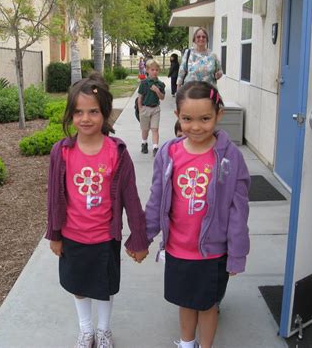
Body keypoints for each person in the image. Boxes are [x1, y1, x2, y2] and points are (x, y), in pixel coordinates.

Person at [46, 73, 149, 348]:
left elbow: (131, 198)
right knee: (79, 286)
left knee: (103, 287)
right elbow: (53, 197)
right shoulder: (62, 152)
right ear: (70, 115)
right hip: (73, 236)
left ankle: (103, 331)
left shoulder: (117, 152)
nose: (86, 118)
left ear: (105, 113)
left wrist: (139, 237)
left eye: (93, 111)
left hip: (105, 237)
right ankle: (86, 330)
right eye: (78, 112)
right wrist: (54, 234)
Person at [145, 81, 250, 348]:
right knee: (185, 301)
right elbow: (157, 197)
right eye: (187, 119)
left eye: (205, 118)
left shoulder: (229, 157)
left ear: (219, 115)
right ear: (177, 117)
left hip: (212, 251)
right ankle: (186, 343)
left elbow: (239, 208)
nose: (196, 126)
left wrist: (237, 253)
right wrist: (144, 235)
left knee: (208, 305)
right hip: (179, 248)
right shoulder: (169, 154)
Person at [137, 59, 165, 157]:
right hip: (145, 108)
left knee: (155, 129)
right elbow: (140, 98)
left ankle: (155, 147)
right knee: (145, 130)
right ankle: (144, 143)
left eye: (156, 70)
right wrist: (140, 109)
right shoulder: (144, 83)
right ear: (147, 70)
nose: (154, 72)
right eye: (152, 70)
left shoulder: (160, 84)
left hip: (155, 109)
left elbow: (162, 98)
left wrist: (157, 91)